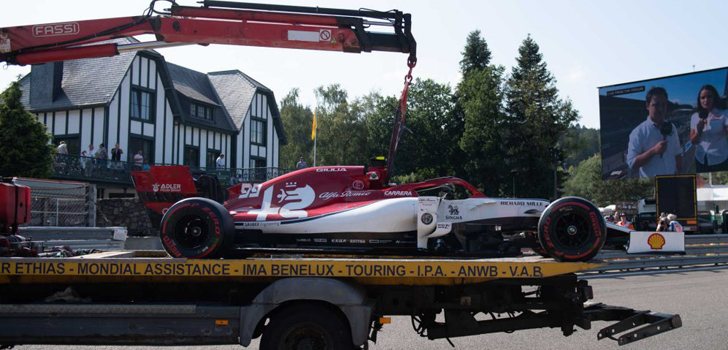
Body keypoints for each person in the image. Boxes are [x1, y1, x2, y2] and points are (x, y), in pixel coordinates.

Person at [626, 87, 682, 178]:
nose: (661, 109)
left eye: (663, 105)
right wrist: (653, 151)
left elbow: (678, 153)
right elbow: (632, 163)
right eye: (656, 105)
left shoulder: (672, 127)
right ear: (647, 106)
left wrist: (680, 174)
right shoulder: (637, 132)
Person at [689, 84, 728, 173]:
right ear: (699, 100)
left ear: (714, 98)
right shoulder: (695, 116)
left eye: (709, 97)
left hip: (719, 159)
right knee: (702, 185)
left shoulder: (724, 114)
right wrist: (698, 131)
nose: (706, 100)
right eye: (702, 98)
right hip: (700, 159)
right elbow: (692, 141)